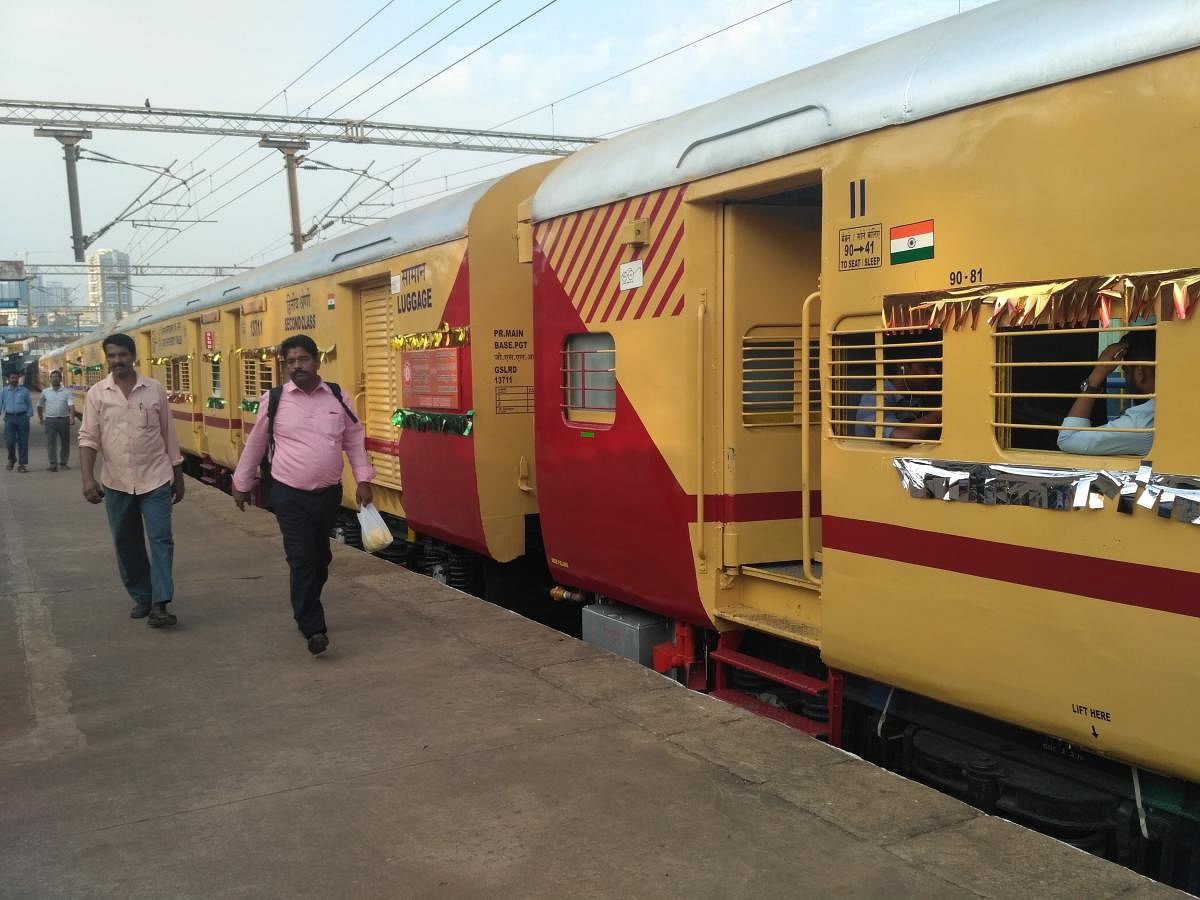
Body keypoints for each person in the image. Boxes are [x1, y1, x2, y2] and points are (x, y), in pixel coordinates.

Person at [231, 334, 375, 657]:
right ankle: (313, 628)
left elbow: (353, 440)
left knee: (321, 559)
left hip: (327, 495)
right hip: (288, 494)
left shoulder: (338, 397)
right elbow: (255, 443)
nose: (297, 366)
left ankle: (305, 607)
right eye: (290, 361)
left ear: (316, 362)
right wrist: (242, 482)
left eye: (303, 360)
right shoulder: (275, 399)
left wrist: (363, 479)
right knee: (302, 558)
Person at [78, 333, 185, 628]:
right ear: (107, 359)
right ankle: (143, 596)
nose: (117, 361)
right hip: (117, 481)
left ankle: (161, 603)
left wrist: (178, 476)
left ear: (133, 356)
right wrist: (87, 479)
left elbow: (168, 434)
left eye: (122, 355)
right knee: (126, 542)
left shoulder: (154, 390)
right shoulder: (97, 394)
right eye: (111, 356)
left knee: (161, 539)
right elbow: (88, 438)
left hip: (156, 478)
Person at [1057, 330, 1155, 456]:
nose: (1125, 376)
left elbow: (1068, 439)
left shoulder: (1142, 424)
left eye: (1126, 370)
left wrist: (1097, 375)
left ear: (1140, 372)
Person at [853, 339, 942, 445]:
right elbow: (903, 438)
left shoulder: (915, 395)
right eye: (925, 367)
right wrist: (939, 414)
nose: (933, 373)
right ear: (902, 366)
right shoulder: (875, 398)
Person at [37, 369, 75, 471]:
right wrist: (41, 418)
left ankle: (63, 463)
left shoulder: (67, 392)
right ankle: (53, 464)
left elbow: (71, 405)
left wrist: (72, 417)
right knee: (51, 443)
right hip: (50, 421)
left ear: (61, 379)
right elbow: (39, 406)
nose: (55, 379)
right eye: (53, 377)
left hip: (64, 420)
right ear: (50, 379)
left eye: (57, 377)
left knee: (65, 443)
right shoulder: (45, 392)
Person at [2, 371, 33, 472]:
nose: (14, 380)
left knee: (23, 442)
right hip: (9, 418)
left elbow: (29, 404)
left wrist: (28, 416)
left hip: (22, 417)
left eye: (16, 378)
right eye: (12, 378)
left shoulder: (24, 391)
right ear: (9, 379)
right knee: (9, 441)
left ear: (18, 378)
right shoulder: (4, 391)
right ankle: (12, 459)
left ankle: (22, 464)